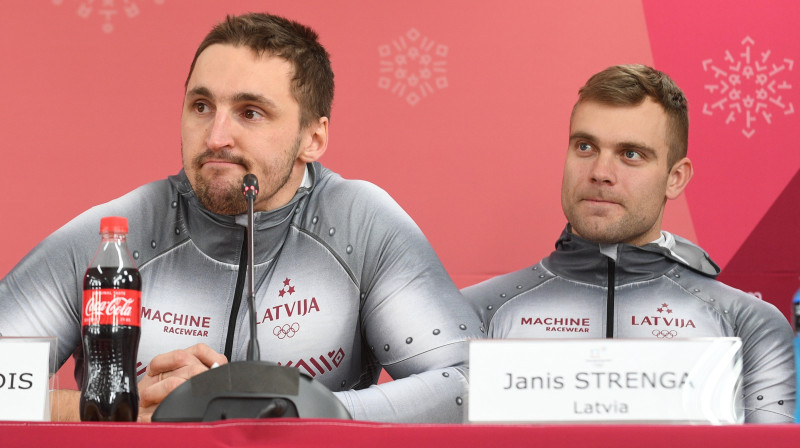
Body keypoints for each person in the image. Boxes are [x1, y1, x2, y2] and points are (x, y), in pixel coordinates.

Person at [0, 12, 481, 423]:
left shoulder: (361, 222)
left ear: (313, 138)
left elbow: (469, 382)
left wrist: (305, 409)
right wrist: (114, 408)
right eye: (202, 106)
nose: (216, 136)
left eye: (251, 112)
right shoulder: (110, 237)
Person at [462, 64, 795, 423]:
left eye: (630, 154)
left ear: (676, 178)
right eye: (585, 146)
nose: (600, 172)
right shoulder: (476, 312)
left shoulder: (750, 324)